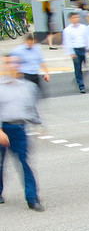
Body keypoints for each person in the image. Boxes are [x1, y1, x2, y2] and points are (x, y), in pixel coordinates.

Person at [0, 55, 44, 211]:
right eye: (11, 63)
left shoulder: (27, 87)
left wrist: (37, 124)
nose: (14, 66)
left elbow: (31, 108)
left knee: (25, 163)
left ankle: (32, 198)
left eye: (17, 63)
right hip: (3, 128)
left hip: (19, 129)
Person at [62, 12, 89, 94]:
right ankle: (81, 86)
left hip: (83, 49)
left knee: (86, 68)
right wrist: (71, 52)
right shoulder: (67, 30)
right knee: (78, 68)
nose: (76, 19)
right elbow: (67, 42)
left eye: (77, 17)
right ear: (70, 19)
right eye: (74, 17)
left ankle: (78, 79)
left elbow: (88, 38)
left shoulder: (83, 27)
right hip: (75, 50)